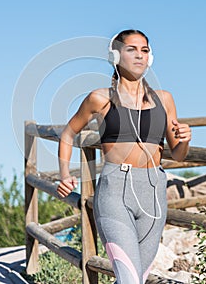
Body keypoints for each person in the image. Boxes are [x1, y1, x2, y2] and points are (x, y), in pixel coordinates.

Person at [57, 29, 191, 284]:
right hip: (115, 192)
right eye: (132, 49)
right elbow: (68, 134)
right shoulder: (100, 98)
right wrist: (64, 175)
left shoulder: (165, 99)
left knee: (136, 278)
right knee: (129, 279)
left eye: (145, 50)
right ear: (115, 56)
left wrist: (183, 139)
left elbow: (179, 155)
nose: (140, 55)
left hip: (154, 193)